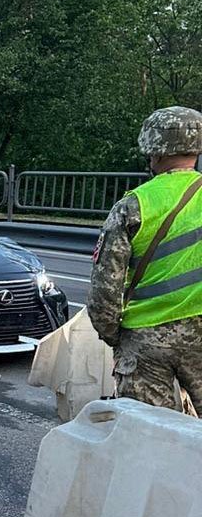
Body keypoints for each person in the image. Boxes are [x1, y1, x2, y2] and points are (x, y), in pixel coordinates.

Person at [88, 106, 202, 415]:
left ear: (153, 149)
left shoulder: (133, 205)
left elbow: (105, 292)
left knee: (150, 437)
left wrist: (115, 336)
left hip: (145, 340)